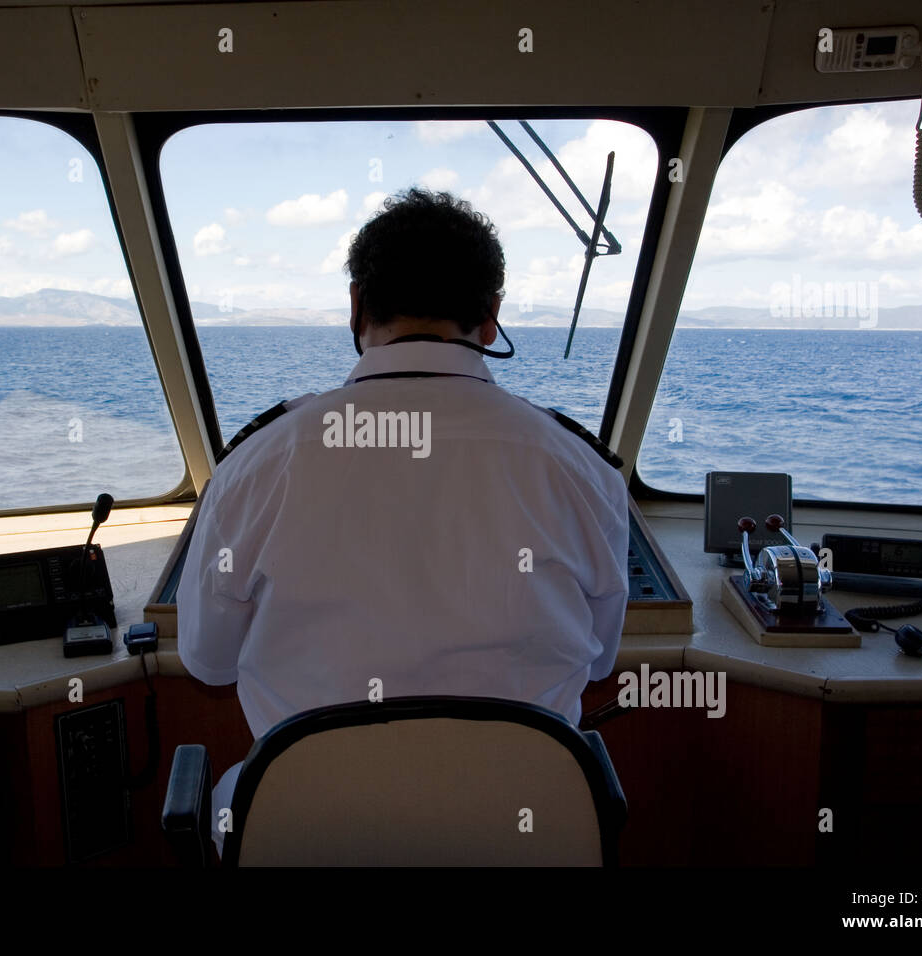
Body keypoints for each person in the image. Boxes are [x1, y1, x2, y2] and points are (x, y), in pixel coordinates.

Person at [176, 188, 629, 857]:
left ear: (356, 305)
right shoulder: (578, 468)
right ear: (491, 315)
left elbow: (208, 663)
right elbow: (601, 660)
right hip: (521, 840)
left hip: (314, 840)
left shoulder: (259, 463)